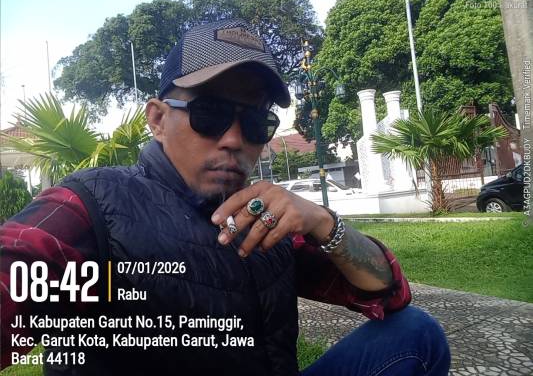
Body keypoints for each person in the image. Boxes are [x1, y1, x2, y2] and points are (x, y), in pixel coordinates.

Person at [0, 19, 450, 375]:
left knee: (416, 334)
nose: (234, 140)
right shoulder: (91, 206)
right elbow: (20, 262)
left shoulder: (264, 220)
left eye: (256, 123)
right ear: (157, 120)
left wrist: (321, 222)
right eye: (209, 113)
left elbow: (388, 294)